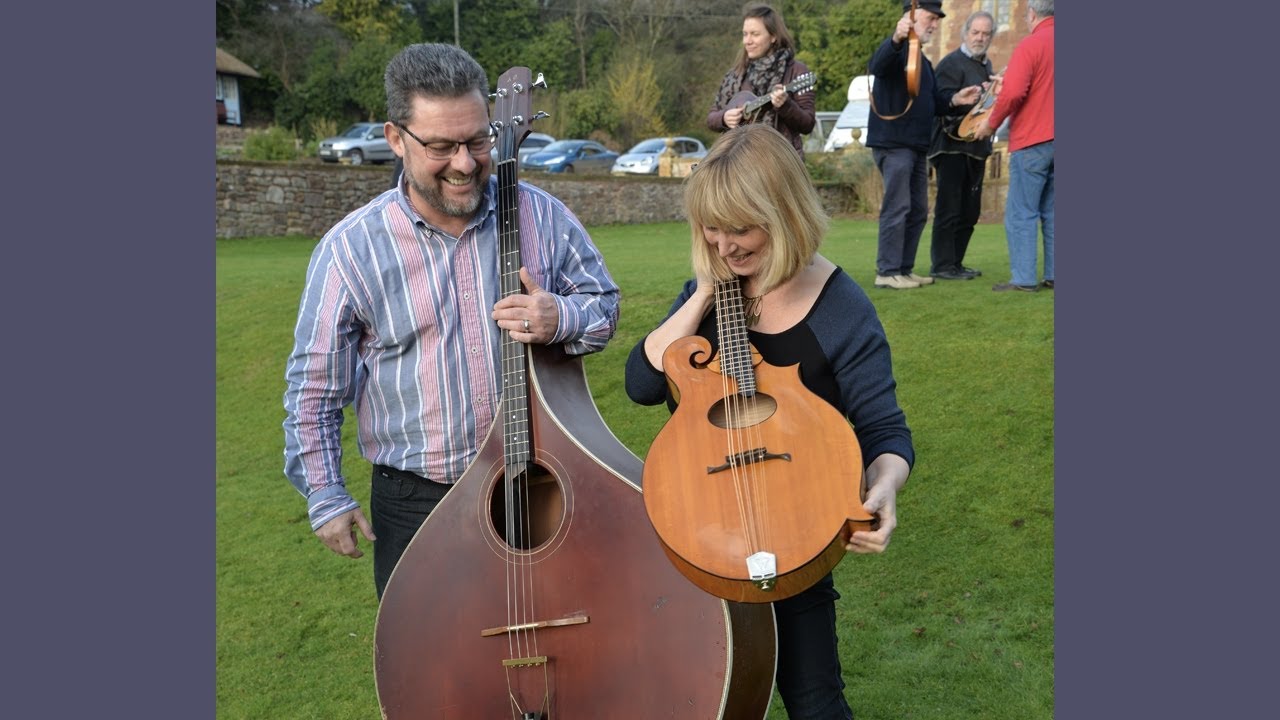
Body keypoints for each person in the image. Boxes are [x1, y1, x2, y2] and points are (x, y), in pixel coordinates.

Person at [283, 43, 621, 600]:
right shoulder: (350, 251)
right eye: (442, 146)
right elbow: (315, 389)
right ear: (396, 139)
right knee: (435, 679)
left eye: (478, 140)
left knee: (566, 650)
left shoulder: (543, 216)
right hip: (417, 502)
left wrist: (559, 314)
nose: (465, 163)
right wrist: (326, 495)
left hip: (539, 484)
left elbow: (604, 309)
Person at [624, 124, 914, 720]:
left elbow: (884, 432)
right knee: (700, 701)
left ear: (784, 215)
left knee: (816, 704)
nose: (724, 245)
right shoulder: (708, 290)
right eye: (711, 226)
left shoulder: (840, 307)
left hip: (796, 532)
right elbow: (643, 383)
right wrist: (702, 293)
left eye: (741, 228)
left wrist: (884, 488)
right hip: (698, 538)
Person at [866, 0, 982, 290]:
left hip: (916, 145)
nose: (935, 24)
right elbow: (877, 66)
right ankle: (888, 270)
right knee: (898, 206)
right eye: (931, 17)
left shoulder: (922, 59)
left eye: (936, 19)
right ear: (912, 17)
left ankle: (903, 269)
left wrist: (957, 99)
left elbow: (932, 103)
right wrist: (896, 38)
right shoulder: (898, 49)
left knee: (917, 209)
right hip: (894, 143)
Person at [974, 0, 1054, 292]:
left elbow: (1015, 92)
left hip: (1033, 138)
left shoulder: (1030, 45)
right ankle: (1053, 274)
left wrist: (990, 123)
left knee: (1022, 211)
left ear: (1032, 14)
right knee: (1053, 211)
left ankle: (1023, 278)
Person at [927, 11, 997, 281]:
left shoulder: (986, 67)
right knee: (949, 208)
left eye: (986, 33)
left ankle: (956, 263)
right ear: (965, 34)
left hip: (977, 149)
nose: (980, 38)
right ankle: (943, 266)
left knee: (970, 210)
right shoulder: (951, 63)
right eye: (976, 32)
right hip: (950, 147)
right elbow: (941, 100)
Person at [707, 3, 815, 158]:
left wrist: (786, 106)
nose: (747, 41)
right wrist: (724, 118)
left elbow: (808, 124)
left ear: (773, 36)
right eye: (745, 34)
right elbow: (711, 117)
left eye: (755, 34)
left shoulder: (796, 71)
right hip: (739, 161)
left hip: (780, 161)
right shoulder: (735, 75)